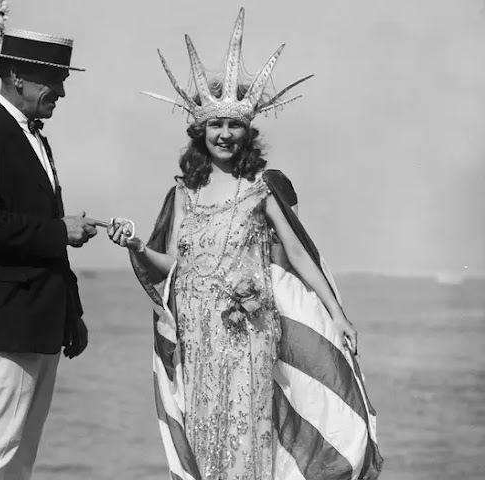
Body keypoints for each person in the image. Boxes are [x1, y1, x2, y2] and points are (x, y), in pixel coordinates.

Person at [108, 8, 383, 480]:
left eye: (233, 126)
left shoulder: (259, 188)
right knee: (202, 436)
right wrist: (134, 244)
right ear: (200, 132)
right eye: (215, 126)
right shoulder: (181, 195)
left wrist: (339, 316)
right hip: (197, 338)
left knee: (245, 436)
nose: (224, 134)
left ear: (247, 133)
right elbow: (169, 265)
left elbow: (298, 254)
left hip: (248, 336)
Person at [0, 28, 97, 480]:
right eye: (55, 79)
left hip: (36, 324)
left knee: (18, 459)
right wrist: (58, 230)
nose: (63, 92)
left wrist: (71, 313)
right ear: (15, 76)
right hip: (4, 324)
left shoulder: (34, 138)